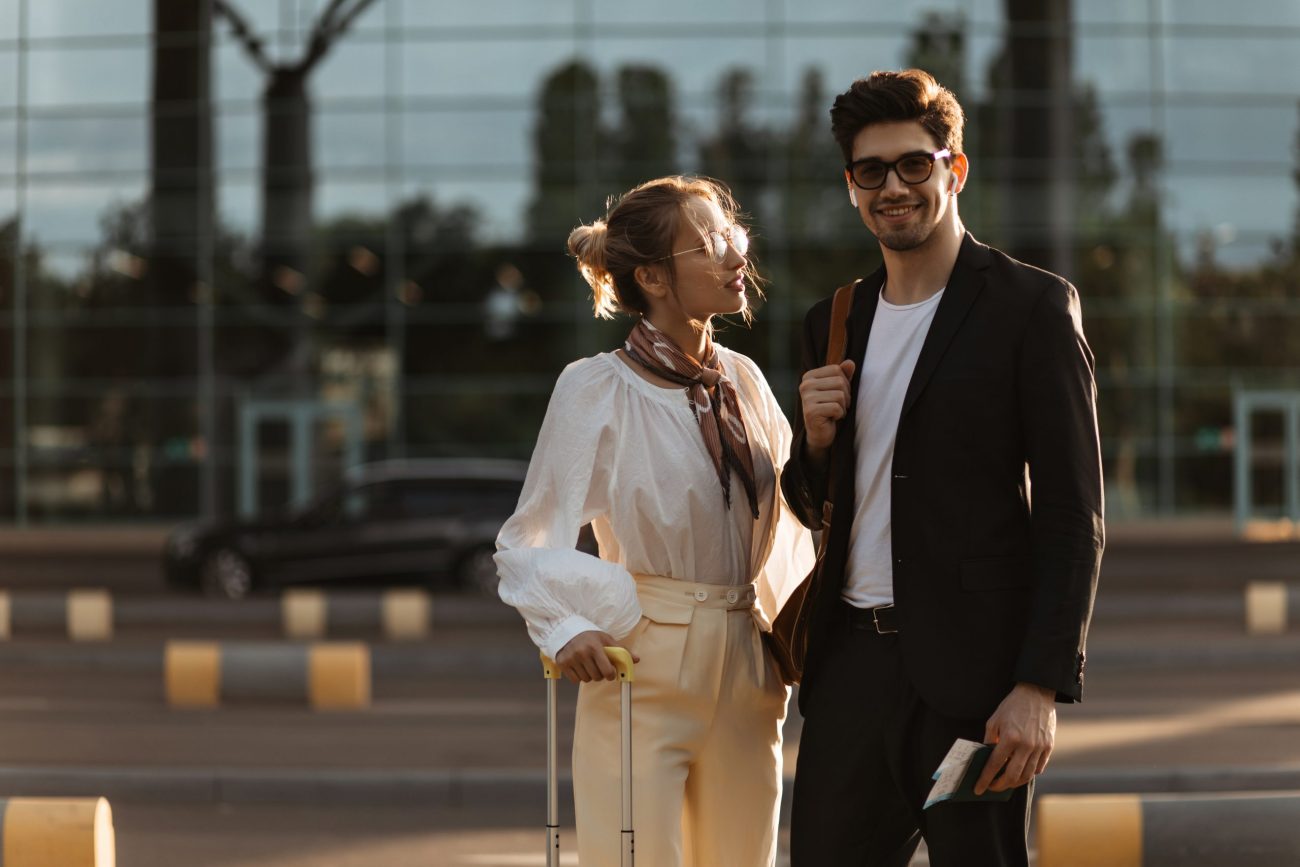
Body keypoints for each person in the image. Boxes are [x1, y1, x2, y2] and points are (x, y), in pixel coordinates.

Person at [781, 69, 1104, 866]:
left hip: (979, 682)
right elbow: (813, 498)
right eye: (871, 171)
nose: (893, 187)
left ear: (953, 169)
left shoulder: (1030, 306)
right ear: (852, 186)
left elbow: (1073, 512)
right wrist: (814, 443)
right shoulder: (835, 319)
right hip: (852, 670)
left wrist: (1039, 685)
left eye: (914, 164)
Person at [496, 176, 815, 867]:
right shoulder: (596, 389)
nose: (736, 256)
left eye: (735, 236)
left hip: (749, 656)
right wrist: (566, 625)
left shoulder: (747, 383)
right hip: (641, 663)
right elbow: (526, 539)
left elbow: (796, 520)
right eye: (711, 244)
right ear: (653, 278)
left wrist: (808, 642)